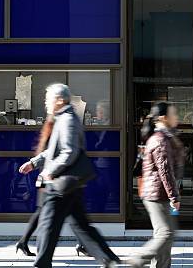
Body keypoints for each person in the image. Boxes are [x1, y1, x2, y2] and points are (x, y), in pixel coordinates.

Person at [18, 84, 120, 268]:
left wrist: (50, 171)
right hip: (68, 184)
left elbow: (69, 152)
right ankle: (108, 260)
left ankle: (41, 264)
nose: (46, 102)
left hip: (60, 183)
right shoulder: (64, 118)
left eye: (48, 98)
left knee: (48, 226)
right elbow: (53, 149)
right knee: (81, 226)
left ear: (59, 100)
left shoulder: (67, 119)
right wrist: (34, 163)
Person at [15, 115, 90, 258]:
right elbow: (52, 154)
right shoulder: (59, 131)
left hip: (51, 178)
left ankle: (24, 242)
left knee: (48, 213)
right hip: (53, 179)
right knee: (66, 214)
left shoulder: (52, 131)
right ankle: (81, 244)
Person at [127, 102, 185, 268]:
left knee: (166, 235)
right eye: (173, 114)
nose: (177, 117)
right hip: (156, 195)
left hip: (160, 193)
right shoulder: (160, 140)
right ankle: (138, 259)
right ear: (163, 118)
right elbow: (164, 170)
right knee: (166, 233)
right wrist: (174, 196)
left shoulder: (166, 136)